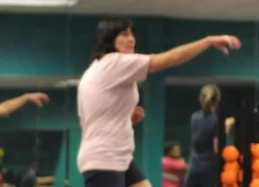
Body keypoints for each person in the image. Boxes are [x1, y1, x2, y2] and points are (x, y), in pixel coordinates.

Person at [76, 18, 240, 187]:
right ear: (109, 40)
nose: (131, 39)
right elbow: (169, 59)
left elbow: (87, 122)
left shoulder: (96, 68)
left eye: (132, 34)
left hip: (118, 155)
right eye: (124, 35)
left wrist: (124, 117)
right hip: (104, 159)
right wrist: (207, 42)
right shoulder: (115, 62)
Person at [183, 85, 235, 187]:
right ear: (218, 99)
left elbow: (202, 132)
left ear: (200, 99)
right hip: (209, 167)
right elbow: (216, 147)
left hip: (194, 166)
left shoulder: (194, 117)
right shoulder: (217, 120)